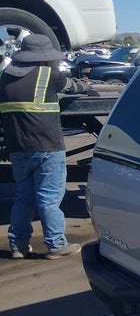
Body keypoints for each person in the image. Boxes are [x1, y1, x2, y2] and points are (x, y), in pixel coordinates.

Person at [0, 34, 91, 259]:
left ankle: (18, 246)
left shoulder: (4, 77)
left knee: (24, 197)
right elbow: (73, 87)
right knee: (49, 198)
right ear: (44, 57)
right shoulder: (48, 74)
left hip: (18, 148)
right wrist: (86, 86)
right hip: (47, 147)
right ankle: (56, 245)